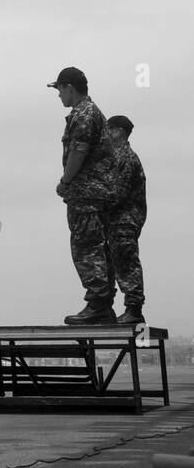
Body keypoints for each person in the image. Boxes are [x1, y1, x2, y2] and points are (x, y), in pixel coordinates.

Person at [49, 68, 121, 325]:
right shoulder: (90, 112)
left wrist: (65, 182)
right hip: (97, 193)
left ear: (69, 87)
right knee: (98, 247)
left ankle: (97, 303)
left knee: (86, 247)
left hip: (87, 193)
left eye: (59, 89)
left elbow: (78, 152)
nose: (58, 95)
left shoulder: (83, 113)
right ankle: (103, 303)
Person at [104, 115, 146, 325]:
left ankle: (134, 310)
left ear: (118, 131)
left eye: (108, 130)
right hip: (119, 220)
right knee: (119, 262)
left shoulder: (124, 157)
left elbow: (118, 193)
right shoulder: (119, 156)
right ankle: (129, 309)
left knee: (127, 263)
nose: (106, 134)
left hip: (124, 220)